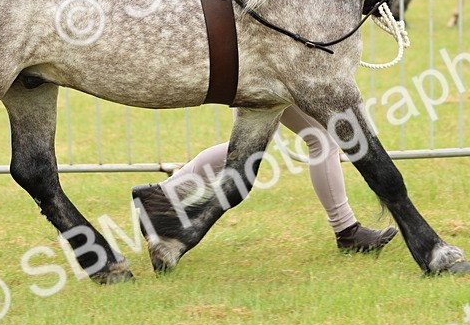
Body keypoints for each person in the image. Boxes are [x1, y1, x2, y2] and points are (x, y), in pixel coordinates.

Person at [141, 105, 398, 253]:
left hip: (258, 59)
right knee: (318, 138)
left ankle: (160, 195)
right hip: (268, 62)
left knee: (248, 146)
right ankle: (347, 232)